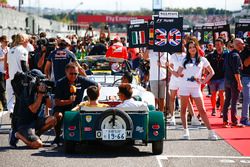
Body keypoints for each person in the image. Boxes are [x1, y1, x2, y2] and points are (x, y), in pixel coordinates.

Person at [172, 40, 218, 140]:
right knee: (183, 109)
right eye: (190, 47)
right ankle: (185, 132)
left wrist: (203, 81)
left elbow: (212, 72)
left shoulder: (202, 60)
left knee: (202, 110)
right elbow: (177, 74)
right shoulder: (184, 60)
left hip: (196, 87)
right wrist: (168, 67)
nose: (192, 49)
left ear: (197, 47)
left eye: (194, 47)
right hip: (184, 86)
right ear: (187, 50)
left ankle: (210, 132)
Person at [52, 63, 98, 146]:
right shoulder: (60, 83)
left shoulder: (81, 80)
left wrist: (93, 98)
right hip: (63, 107)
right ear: (66, 73)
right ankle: (57, 137)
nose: (73, 76)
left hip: (78, 107)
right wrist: (68, 101)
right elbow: (57, 102)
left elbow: (97, 85)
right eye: (71, 73)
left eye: (76, 73)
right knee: (58, 115)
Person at [9, 69, 56, 148]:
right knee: (38, 144)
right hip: (24, 124)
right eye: (40, 80)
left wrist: (46, 94)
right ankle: (17, 134)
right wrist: (41, 94)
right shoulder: (27, 91)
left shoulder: (41, 89)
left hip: (34, 121)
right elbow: (33, 109)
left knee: (53, 119)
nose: (42, 82)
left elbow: (50, 105)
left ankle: (35, 136)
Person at [163, 41, 200, 126]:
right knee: (172, 97)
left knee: (187, 99)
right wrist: (167, 67)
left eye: (183, 45)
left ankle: (194, 117)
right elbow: (170, 67)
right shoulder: (172, 56)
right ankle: (172, 117)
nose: (181, 47)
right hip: (174, 80)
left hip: (183, 80)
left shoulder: (186, 56)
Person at [222, 38, 244, 128]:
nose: (243, 45)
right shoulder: (236, 55)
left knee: (227, 100)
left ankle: (225, 121)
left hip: (227, 80)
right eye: (242, 44)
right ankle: (234, 121)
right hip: (233, 81)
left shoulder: (229, 54)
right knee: (234, 101)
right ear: (238, 44)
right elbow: (236, 71)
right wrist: (239, 83)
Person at [7, 33, 29, 114]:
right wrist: (29, 76)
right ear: (24, 40)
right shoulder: (23, 50)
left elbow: (9, 64)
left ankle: (13, 114)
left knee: (14, 98)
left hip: (11, 77)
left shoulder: (11, 50)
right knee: (21, 98)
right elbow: (23, 65)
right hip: (20, 78)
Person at [206, 38, 226, 117]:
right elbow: (206, 67)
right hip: (213, 78)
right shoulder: (210, 55)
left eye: (219, 44)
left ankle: (222, 110)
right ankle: (213, 108)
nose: (217, 46)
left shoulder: (226, 54)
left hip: (223, 78)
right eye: (216, 44)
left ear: (222, 45)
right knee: (213, 94)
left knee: (221, 93)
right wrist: (206, 77)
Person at [240, 37, 250, 126]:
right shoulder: (244, 52)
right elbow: (246, 64)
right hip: (246, 77)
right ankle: (244, 118)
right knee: (247, 98)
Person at [0, 35, 9, 110]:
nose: (7, 43)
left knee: (7, 88)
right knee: (2, 89)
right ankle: (5, 105)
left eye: (7, 41)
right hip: (0, 71)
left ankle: (8, 104)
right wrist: (5, 57)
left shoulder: (9, 49)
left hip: (7, 72)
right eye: (5, 41)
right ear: (1, 42)